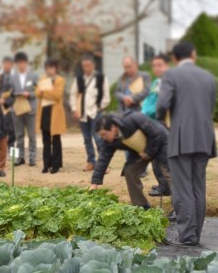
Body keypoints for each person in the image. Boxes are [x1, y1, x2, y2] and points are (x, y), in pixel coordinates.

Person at [157, 42, 216, 246]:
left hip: (181, 137)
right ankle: (194, 235)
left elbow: (162, 104)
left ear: (174, 58)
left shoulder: (171, 75)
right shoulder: (209, 77)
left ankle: (187, 237)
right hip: (205, 137)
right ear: (193, 54)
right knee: (198, 187)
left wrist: (161, 119)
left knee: (182, 188)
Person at [90, 112, 171, 209]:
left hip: (161, 142)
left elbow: (155, 134)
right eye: (101, 136)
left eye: (104, 134)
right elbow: (103, 160)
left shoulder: (133, 119)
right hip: (140, 151)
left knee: (168, 172)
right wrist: (94, 182)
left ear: (112, 127)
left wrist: (148, 152)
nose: (103, 138)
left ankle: (180, 209)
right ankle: (141, 205)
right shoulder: (108, 142)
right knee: (130, 171)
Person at [70, 54, 110, 172]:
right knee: (87, 139)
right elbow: (73, 94)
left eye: (88, 66)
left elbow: (106, 96)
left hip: (95, 113)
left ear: (93, 65)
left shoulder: (101, 78)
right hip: (82, 114)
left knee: (98, 138)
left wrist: (100, 108)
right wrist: (74, 109)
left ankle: (103, 164)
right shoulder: (79, 79)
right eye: (84, 66)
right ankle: (91, 161)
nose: (86, 68)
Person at [142, 54, 171, 197]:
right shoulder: (156, 83)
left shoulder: (169, 81)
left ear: (167, 65)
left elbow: (162, 105)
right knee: (156, 158)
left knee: (165, 161)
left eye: (160, 64)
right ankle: (163, 185)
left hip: (165, 124)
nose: (156, 68)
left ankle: (170, 188)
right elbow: (148, 102)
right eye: (154, 65)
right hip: (152, 124)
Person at [35, 58, 66, 174]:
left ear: (56, 68)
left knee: (56, 140)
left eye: (52, 68)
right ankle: (46, 164)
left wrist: (45, 92)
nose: (50, 70)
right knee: (45, 140)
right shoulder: (42, 78)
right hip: (44, 112)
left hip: (55, 113)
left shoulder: (60, 80)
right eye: (48, 68)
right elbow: (37, 93)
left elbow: (57, 95)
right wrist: (47, 92)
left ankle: (56, 165)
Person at [11, 52, 38, 167]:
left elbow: (39, 91)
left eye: (23, 63)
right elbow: (9, 92)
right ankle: (19, 157)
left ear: (26, 63)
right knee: (18, 135)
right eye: (19, 63)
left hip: (30, 108)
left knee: (32, 135)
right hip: (17, 108)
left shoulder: (34, 76)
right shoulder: (12, 77)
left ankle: (32, 157)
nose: (21, 65)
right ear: (16, 64)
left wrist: (30, 93)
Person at [0, 56, 16, 150]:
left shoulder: (15, 77)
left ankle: (11, 146)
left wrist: (7, 102)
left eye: (8, 64)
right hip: (0, 106)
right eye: (5, 64)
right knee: (1, 127)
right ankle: (1, 147)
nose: (7, 66)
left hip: (12, 105)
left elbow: (16, 91)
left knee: (12, 128)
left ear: (11, 65)